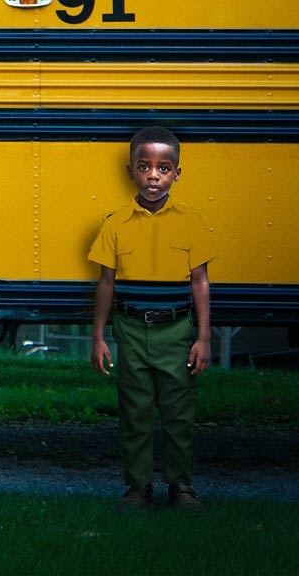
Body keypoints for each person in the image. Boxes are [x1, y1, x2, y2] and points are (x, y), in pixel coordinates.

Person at [88, 125, 216, 512]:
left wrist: (203, 337)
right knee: (135, 411)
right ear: (131, 171)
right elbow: (106, 283)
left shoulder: (191, 222)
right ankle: (138, 487)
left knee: (179, 412)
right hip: (130, 328)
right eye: (144, 167)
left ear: (177, 173)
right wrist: (97, 336)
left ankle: (181, 486)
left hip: (177, 329)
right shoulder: (115, 224)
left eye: (163, 168)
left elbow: (201, 282)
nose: (153, 176)